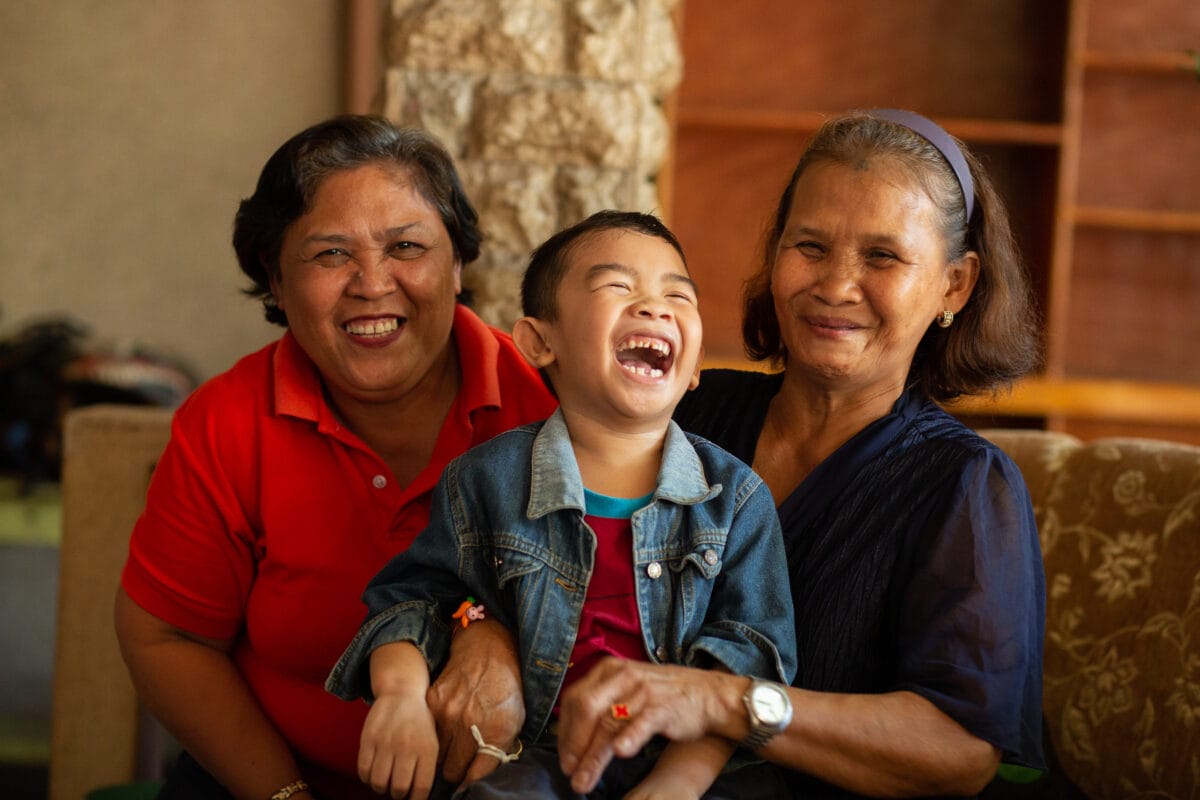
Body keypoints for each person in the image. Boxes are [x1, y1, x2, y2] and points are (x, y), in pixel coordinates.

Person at [548, 110, 1047, 799]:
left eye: (882, 256)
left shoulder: (964, 485)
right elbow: (522, 533)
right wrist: (483, 636)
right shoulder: (682, 413)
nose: (836, 286)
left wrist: (725, 701)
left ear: (954, 285)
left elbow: (960, 750)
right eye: (810, 246)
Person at [113, 115, 557, 800]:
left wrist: (493, 628)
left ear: (457, 263)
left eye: (406, 246)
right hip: (270, 780)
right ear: (275, 280)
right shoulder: (226, 423)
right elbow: (168, 637)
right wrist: (287, 796)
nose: (372, 284)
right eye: (329, 254)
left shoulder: (551, 401)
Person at [326, 210, 798, 800]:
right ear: (539, 342)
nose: (655, 308)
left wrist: (679, 781)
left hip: (693, 761)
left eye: (677, 296)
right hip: (540, 756)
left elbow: (749, 657)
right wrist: (399, 696)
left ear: (695, 364)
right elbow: (414, 600)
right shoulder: (485, 481)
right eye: (618, 286)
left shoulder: (736, 498)